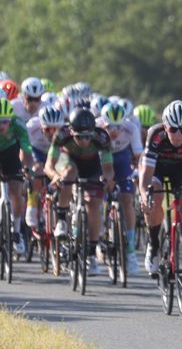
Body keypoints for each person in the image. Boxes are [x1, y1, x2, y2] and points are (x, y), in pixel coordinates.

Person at [139, 100, 182, 291]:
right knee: (154, 197)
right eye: (173, 129)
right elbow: (146, 173)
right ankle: (154, 244)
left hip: (180, 168)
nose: (178, 135)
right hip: (156, 167)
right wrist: (144, 194)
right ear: (165, 126)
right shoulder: (156, 135)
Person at [44, 107, 114, 276]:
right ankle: (61, 218)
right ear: (71, 131)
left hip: (92, 165)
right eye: (79, 137)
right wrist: (55, 177)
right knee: (69, 174)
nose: (83, 141)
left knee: (95, 204)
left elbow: (108, 169)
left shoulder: (102, 137)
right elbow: (49, 166)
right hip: (68, 161)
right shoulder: (62, 134)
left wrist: (107, 180)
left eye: (87, 137)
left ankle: (91, 252)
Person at [96, 102, 143, 275]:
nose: (114, 131)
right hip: (100, 157)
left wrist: (138, 172)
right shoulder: (96, 127)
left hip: (122, 158)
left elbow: (138, 156)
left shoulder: (131, 128)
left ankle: (130, 249)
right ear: (103, 123)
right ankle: (100, 234)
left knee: (127, 199)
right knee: (97, 195)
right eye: (110, 127)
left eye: (118, 127)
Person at [0, 98, 33, 254]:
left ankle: (17, 231)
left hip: (11, 153)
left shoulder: (18, 124)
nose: (2, 126)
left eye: (5, 121)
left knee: (16, 190)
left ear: (11, 119)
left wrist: (27, 168)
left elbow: (26, 149)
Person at [25, 106, 65, 228]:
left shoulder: (66, 132)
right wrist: (27, 167)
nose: (52, 133)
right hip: (37, 152)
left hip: (56, 153)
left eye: (55, 129)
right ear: (41, 126)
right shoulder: (31, 127)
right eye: (47, 130)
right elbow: (24, 149)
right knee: (36, 170)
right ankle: (32, 204)